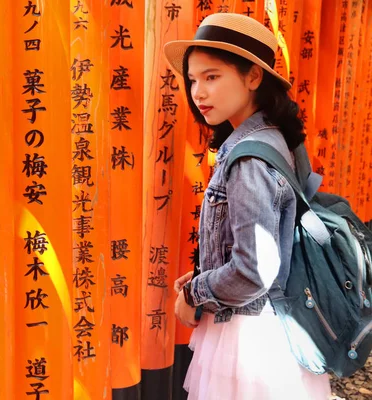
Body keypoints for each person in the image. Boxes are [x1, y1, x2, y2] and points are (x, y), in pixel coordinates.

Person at [164, 13, 331, 400]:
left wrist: (194, 294)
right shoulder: (273, 138)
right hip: (271, 329)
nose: (198, 93)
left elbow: (254, 270)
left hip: (248, 341)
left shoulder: (248, 158)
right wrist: (205, 275)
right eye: (192, 79)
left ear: (253, 77)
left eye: (212, 76)